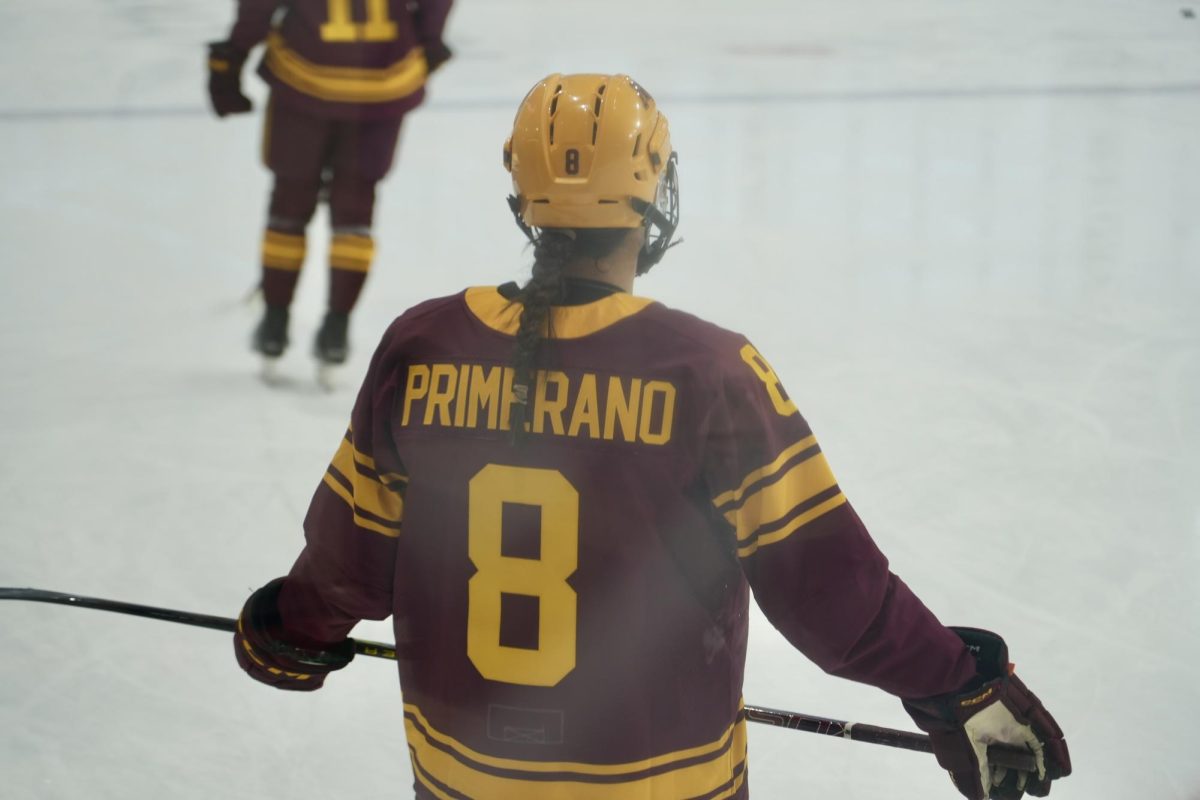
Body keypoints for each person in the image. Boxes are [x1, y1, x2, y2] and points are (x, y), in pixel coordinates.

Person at [232, 73, 1071, 799]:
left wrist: (292, 628)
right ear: (654, 196)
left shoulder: (423, 345)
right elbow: (832, 592)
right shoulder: (706, 370)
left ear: (523, 197)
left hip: (462, 776)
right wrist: (956, 684)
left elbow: (348, 568)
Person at [206, 0, 453, 370]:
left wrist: (232, 57)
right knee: (356, 208)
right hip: (386, 77)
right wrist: (428, 39)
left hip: (305, 76)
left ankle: (274, 321)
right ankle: (337, 328)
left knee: (290, 200)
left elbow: (258, 8)